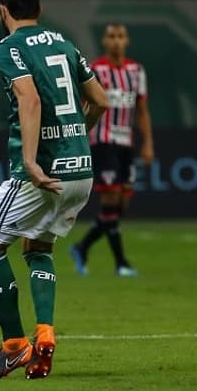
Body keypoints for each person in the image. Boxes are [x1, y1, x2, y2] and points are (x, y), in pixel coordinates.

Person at [0, 0, 108, 380]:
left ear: (3, 10)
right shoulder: (64, 43)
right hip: (80, 171)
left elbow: (28, 99)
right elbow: (100, 100)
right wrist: (78, 138)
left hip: (38, 173)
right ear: (40, 9)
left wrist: (31, 162)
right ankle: (45, 333)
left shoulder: (6, 48)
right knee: (37, 248)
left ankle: (14, 346)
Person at [69, 23, 154, 277]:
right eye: (111, 37)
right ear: (104, 42)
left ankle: (81, 247)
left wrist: (148, 142)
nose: (116, 41)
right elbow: (83, 104)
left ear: (127, 41)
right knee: (111, 200)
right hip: (102, 142)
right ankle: (121, 263)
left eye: (120, 37)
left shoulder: (136, 71)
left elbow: (141, 110)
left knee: (121, 206)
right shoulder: (95, 70)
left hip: (126, 144)